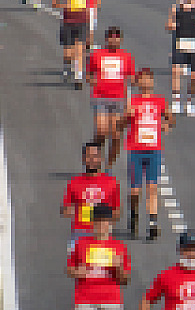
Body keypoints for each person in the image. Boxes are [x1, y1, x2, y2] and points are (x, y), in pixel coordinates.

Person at [117, 68, 172, 240]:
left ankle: (153, 223)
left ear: (153, 82)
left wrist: (166, 124)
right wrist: (127, 116)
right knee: (135, 190)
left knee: (152, 187)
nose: (146, 82)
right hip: (135, 150)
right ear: (138, 82)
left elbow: (170, 118)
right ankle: (133, 215)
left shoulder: (160, 101)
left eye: (149, 79)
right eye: (143, 79)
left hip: (154, 150)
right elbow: (120, 125)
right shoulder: (132, 102)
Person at [87, 26, 136, 169]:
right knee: (101, 131)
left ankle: (109, 165)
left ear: (120, 40)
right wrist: (92, 81)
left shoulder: (126, 56)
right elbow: (89, 74)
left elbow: (131, 79)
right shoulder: (97, 55)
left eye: (116, 37)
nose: (114, 40)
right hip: (100, 97)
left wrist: (130, 102)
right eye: (111, 37)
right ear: (106, 39)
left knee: (115, 135)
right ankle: (96, 158)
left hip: (119, 99)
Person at [62, 141, 120, 252]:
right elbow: (65, 210)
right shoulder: (74, 182)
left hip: (102, 237)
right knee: (76, 268)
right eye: (88, 156)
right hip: (80, 235)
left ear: (101, 159)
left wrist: (96, 214)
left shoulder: (111, 183)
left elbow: (116, 213)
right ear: (83, 159)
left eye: (95, 156)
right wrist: (94, 211)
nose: (92, 159)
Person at [53, 0, 102, 88]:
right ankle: (67, 67)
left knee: (80, 50)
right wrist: (66, 4)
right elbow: (54, 3)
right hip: (68, 22)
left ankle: (78, 77)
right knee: (68, 53)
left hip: (82, 21)